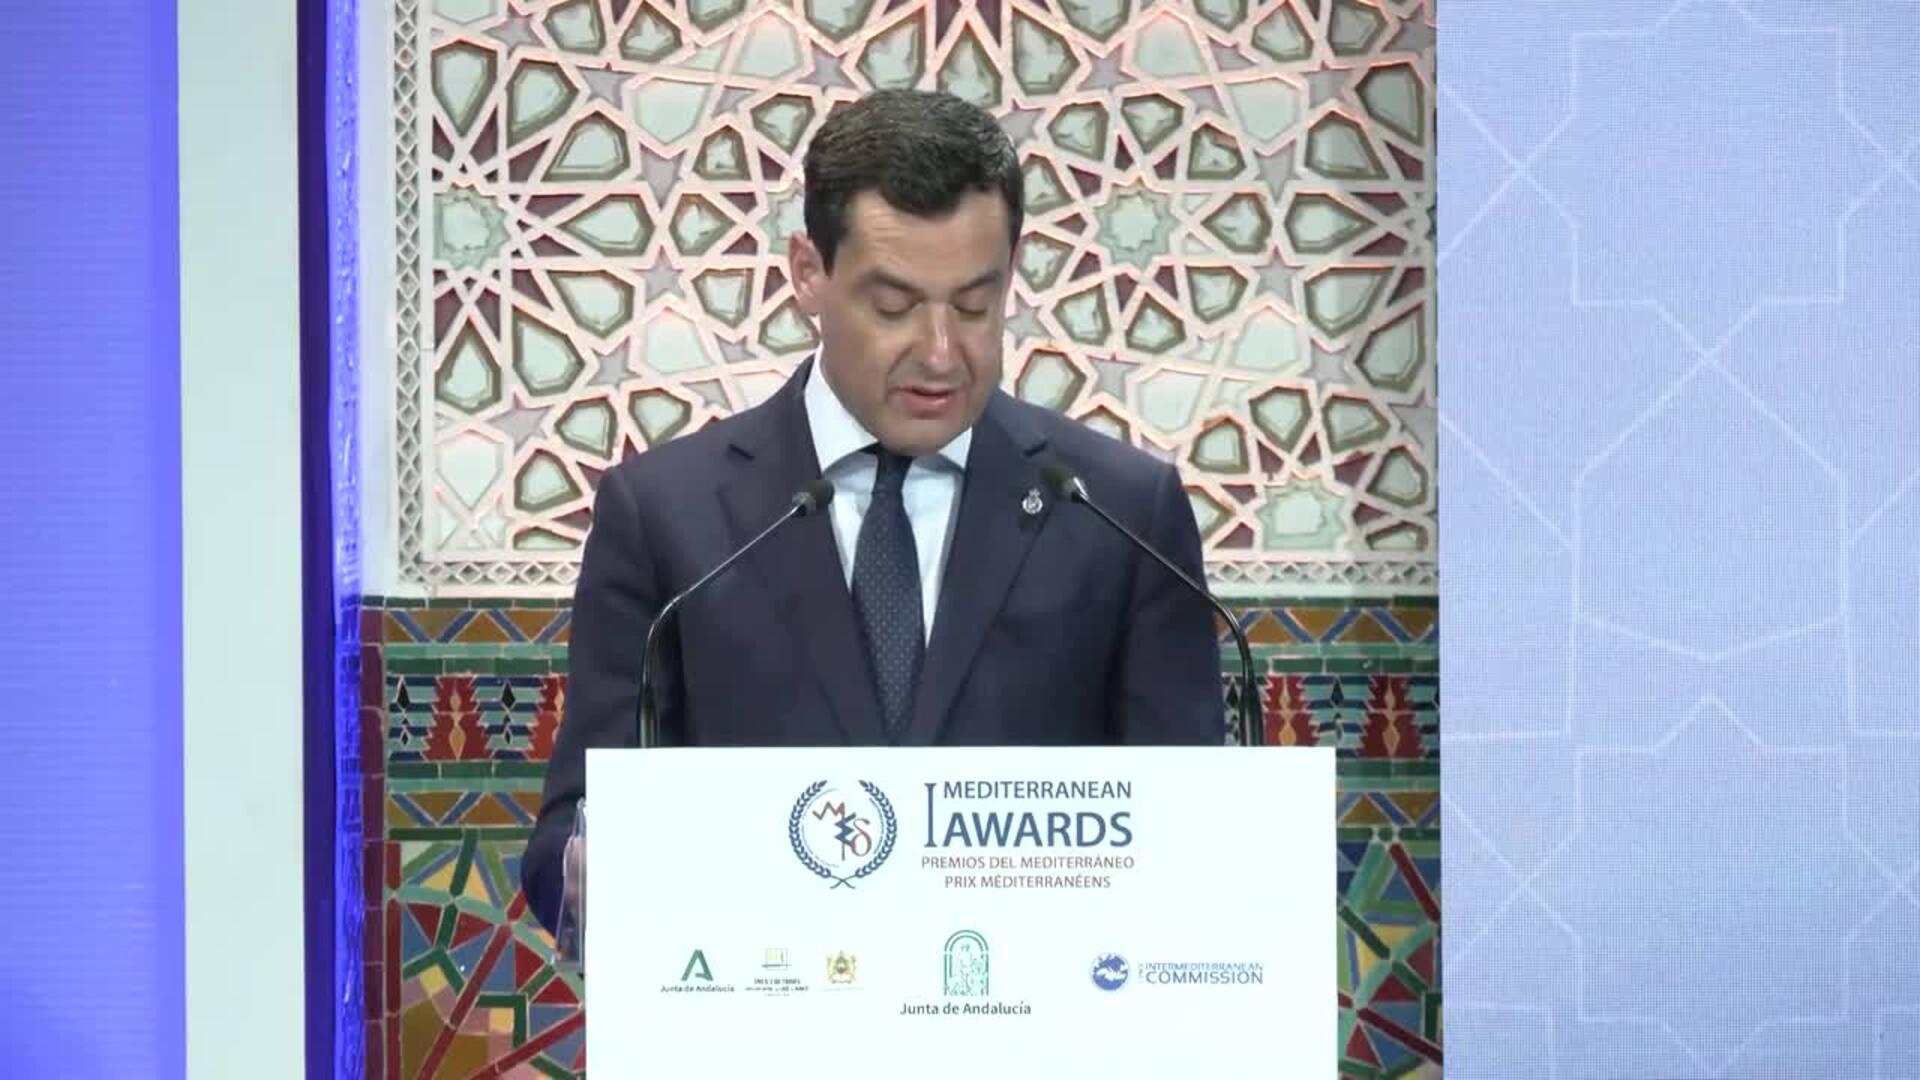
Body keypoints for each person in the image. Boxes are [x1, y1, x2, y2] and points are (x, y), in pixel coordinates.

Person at [521, 89, 1224, 936]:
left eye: (975, 305)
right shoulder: (665, 515)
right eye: (893, 307)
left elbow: (1194, 830)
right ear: (807, 274)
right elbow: (569, 836)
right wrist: (587, 876)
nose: (941, 352)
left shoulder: (1119, 511)